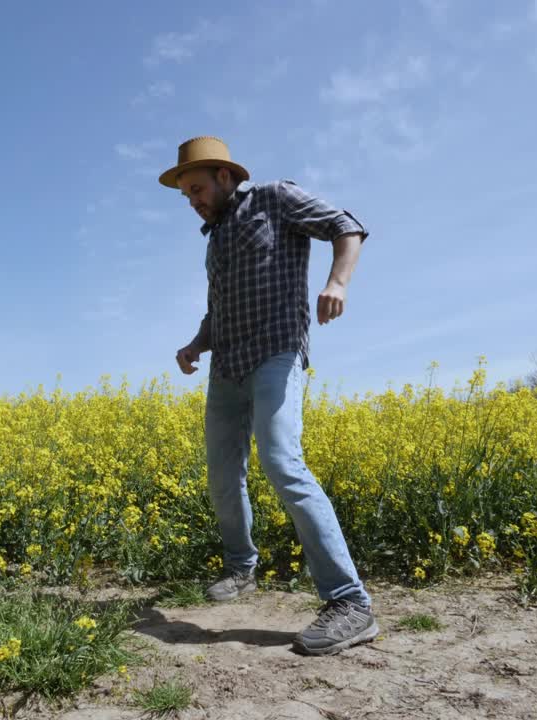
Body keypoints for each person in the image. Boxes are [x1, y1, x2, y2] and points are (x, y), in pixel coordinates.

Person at [159, 136, 378, 656]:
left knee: (282, 463)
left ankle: (350, 603)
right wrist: (196, 344)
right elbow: (219, 309)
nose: (192, 200)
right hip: (226, 366)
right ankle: (242, 569)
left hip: (277, 351)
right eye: (186, 194)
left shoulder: (275, 199)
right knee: (220, 474)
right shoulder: (214, 241)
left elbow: (348, 226)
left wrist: (338, 283)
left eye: (196, 188)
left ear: (224, 175)